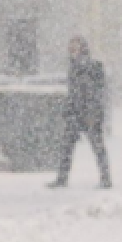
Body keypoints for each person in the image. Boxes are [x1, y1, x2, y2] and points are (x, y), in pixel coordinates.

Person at [48, 37, 112, 189]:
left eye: (75, 48)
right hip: (77, 114)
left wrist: (91, 112)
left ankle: (105, 178)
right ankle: (63, 179)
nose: (72, 51)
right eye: (70, 48)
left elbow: (93, 93)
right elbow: (75, 93)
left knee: (95, 147)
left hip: (88, 115)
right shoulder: (76, 67)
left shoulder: (90, 67)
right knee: (69, 147)